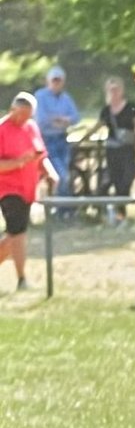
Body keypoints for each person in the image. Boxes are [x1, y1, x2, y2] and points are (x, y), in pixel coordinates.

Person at [0, 93, 59, 291]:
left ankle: (21, 278)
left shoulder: (31, 127)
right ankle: (22, 280)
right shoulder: (2, 130)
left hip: (28, 187)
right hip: (7, 189)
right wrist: (19, 162)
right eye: (21, 115)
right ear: (12, 110)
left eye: (28, 116)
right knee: (18, 234)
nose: (24, 120)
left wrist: (51, 173)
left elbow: (40, 155)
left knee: (13, 235)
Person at [80, 78, 135, 227]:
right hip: (112, 150)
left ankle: (121, 214)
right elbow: (98, 126)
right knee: (115, 180)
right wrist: (83, 138)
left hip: (127, 150)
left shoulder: (132, 107)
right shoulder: (106, 110)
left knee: (126, 181)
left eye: (116, 89)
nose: (114, 93)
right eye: (111, 90)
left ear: (122, 90)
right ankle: (118, 215)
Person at [33, 65, 79, 212]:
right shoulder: (40, 96)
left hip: (62, 140)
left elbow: (76, 117)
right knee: (60, 175)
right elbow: (41, 119)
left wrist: (62, 120)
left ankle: (64, 211)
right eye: (54, 80)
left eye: (59, 81)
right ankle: (63, 210)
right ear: (48, 81)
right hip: (47, 140)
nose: (56, 83)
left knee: (64, 174)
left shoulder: (66, 98)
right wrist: (61, 119)